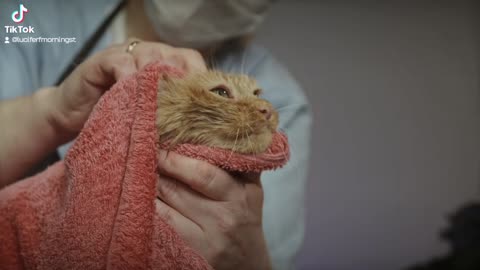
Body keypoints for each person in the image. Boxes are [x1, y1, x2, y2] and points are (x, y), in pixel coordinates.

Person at [0, 0, 312, 269]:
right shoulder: (32, 18)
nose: (261, 106)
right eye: (222, 92)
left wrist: (249, 260)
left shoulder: (283, 94)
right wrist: (52, 112)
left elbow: (275, 257)